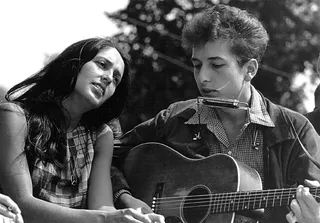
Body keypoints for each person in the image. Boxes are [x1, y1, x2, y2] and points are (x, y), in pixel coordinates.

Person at [110, 4, 320, 223]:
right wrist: (125, 198)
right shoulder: (174, 118)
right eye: (197, 65)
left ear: (250, 70)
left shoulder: (295, 131)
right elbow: (108, 157)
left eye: (216, 65)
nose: (202, 77)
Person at [0, 37, 164, 223]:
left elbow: (102, 207)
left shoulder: (101, 136)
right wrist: (105, 218)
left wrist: (133, 219)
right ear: (75, 64)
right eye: (102, 64)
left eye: (116, 79)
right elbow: (21, 205)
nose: (109, 78)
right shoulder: (16, 117)